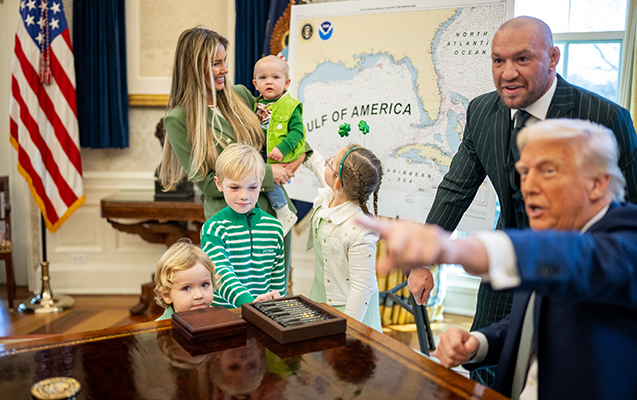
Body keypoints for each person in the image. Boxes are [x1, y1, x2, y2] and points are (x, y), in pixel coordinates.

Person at [408, 16, 637, 386]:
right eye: (498, 61)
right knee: (480, 367)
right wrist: (423, 260)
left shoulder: (605, 117)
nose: (507, 72)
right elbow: (456, 188)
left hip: (582, 279)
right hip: (503, 282)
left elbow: (628, 221)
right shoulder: (482, 112)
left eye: (522, 59)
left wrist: (475, 253)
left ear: (552, 58)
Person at [359, 119, 637, 399]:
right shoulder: (551, 237)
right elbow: (535, 323)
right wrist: (478, 344)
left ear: (597, 185)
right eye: (524, 172)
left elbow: (577, 259)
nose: (528, 187)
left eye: (548, 171)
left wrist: (453, 250)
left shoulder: (627, 239)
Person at [159, 27, 322, 284]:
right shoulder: (178, 120)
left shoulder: (243, 95)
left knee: (275, 293)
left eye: (225, 61)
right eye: (216, 63)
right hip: (229, 223)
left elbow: (280, 129)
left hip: (272, 214)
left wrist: (297, 158)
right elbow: (206, 182)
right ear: (193, 67)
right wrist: (270, 174)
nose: (225, 69)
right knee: (234, 298)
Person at [307, 144, 383, 331]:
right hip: (320, 298)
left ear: (338, 182)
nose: (327, 162)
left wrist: (347, 330)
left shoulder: (360, 230)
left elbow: (361, 289)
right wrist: (304, 151)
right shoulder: (332, 195)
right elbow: (318, 167)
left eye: (331, 162)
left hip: (348, 312)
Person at [201, 143, 286, 308]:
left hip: (262, 315)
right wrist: (249, 305)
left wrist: (275, 310)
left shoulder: (274, 228)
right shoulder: (213, 229)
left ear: (261, 183)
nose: (244, 196)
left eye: (252, 187)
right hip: (224, 318)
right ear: (219, 184)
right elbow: (221, 275)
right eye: (234, 187)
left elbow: (277, 284)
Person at [252, 55, 307, 234]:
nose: (269, 82)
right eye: (263, 78)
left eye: (275, 77)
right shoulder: (255, 106)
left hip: (278, 155)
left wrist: (282, 148)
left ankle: (284, 211)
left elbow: (298, 132)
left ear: (286, 83)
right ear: (255, 84)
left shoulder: (290, 106)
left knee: (269, 181)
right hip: (260, 153)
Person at [154, 238, 217, 321]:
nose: (199, 295)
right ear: (167, 295)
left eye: (204, 285)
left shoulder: (218, 319)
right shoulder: (160, 330)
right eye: (186, 288)